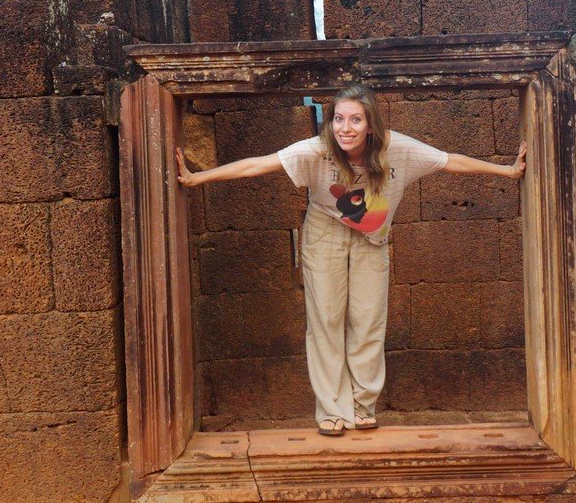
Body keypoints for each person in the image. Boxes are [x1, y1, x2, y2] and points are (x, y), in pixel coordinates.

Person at [175, 85, 528, 436]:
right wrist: (196, 178)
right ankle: (332, 409)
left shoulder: (397, 149)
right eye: (339, 119)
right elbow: (257, 165)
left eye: (355, 120)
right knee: (325, 320)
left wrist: (508, 171)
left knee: (368, 319)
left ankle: (362, 406)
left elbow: (450, 161)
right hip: (324, 233)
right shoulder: (317, 150)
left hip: (371, 240)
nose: (345, 128)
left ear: (370, 125)